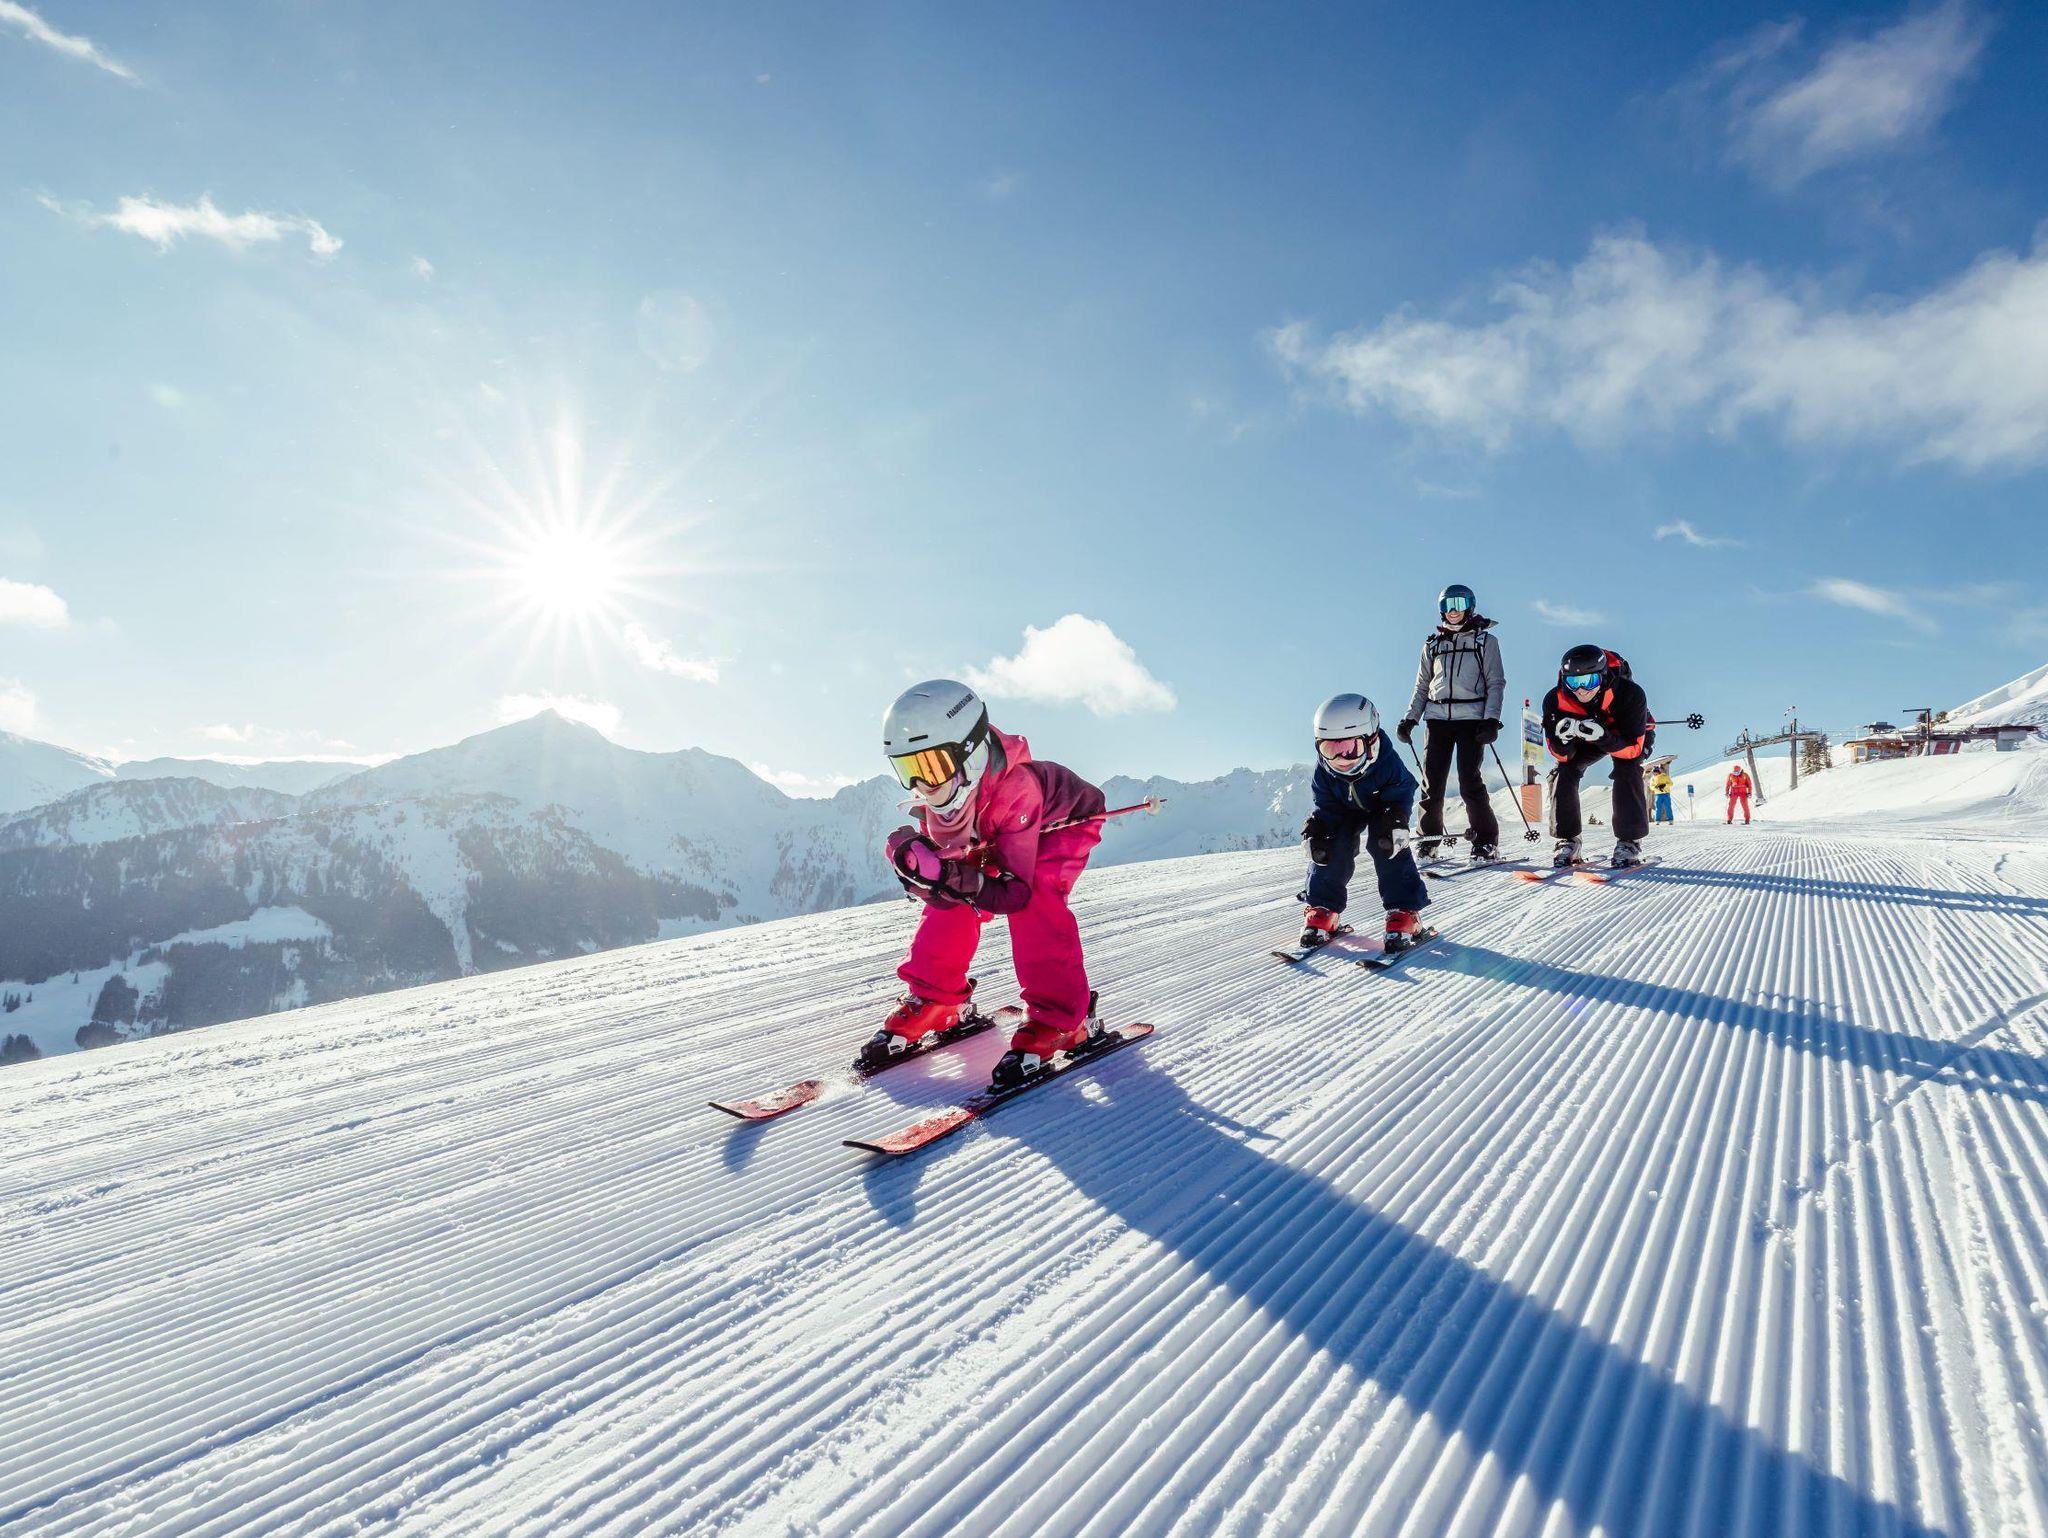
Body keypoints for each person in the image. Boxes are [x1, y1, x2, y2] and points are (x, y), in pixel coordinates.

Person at [872, 679, 1108, 1088]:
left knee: (1037, 901)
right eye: (909, 770)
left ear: (970, 752)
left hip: (1060, 823)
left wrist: (957, 877)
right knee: (954, 895)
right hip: (999, 826)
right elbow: (952, 888)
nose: (923, 785)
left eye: (931, 766)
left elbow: (1014, 893)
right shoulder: (945, 797)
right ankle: (938, 998)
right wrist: (927, 877)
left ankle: (1064, 1020)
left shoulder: (1017, 788)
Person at [1298, 692, 1432, 951]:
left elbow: (1403, 790)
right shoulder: (1324, 771)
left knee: (1387, 843)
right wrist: (1319, 824)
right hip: (1343, 809)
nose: (1340, 761)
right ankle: (1323, 909)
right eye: (1330, 750)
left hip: (1383, 807)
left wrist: (1397, 817)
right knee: (1330, 843)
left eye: (1350, 749)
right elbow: (1325, 803)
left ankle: (1403, 912)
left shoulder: (1387, 763)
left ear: (1371, 740)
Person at [1397, 583, 1506, 862]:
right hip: (1437, 720)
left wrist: (1491, 719)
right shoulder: (1432, 644)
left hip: (1472, 720)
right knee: (1432, 783)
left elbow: (1495, 682)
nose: (1453, 611)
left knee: (1469, 780)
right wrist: (1410, 718)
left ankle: (1485, 841)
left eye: (1459, 604)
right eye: (1447, 605)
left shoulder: (1485, 642)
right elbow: (1422, 686)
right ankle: (1429, 840)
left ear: (1470, 606)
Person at [1542, 644, 1654, 868]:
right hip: (1585, 738)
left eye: (1589, 681)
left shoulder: (1630, 694)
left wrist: (1604, 737)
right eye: (1573, 682)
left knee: (1628, 768)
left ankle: (1629, 841)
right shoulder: (1555, 700)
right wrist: (1563, 741)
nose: (1581, 690)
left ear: (1602, 677)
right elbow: (1560, 755)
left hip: (1624, 737)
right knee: (1563, 771)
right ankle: (1568, 839)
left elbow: (1633, 749)